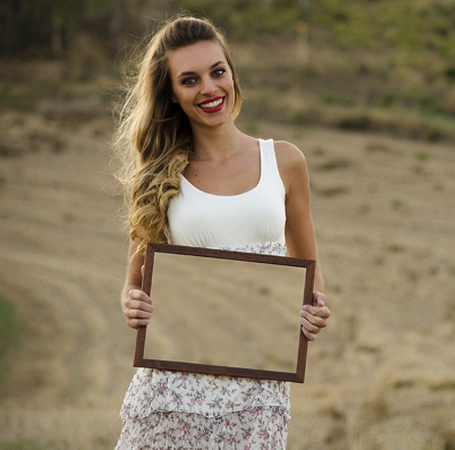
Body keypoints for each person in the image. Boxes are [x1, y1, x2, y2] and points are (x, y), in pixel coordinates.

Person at [112, 15, 331, 449]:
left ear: (232, 73)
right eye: (189, 80)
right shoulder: (157, 177)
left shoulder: (284, 161)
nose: (209, 89)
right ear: (171, 94)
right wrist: (132, 303)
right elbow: (134, 285)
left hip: (258, 391)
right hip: (171, 394)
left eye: (217, 72)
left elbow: (309, 273)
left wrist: (315, 310)